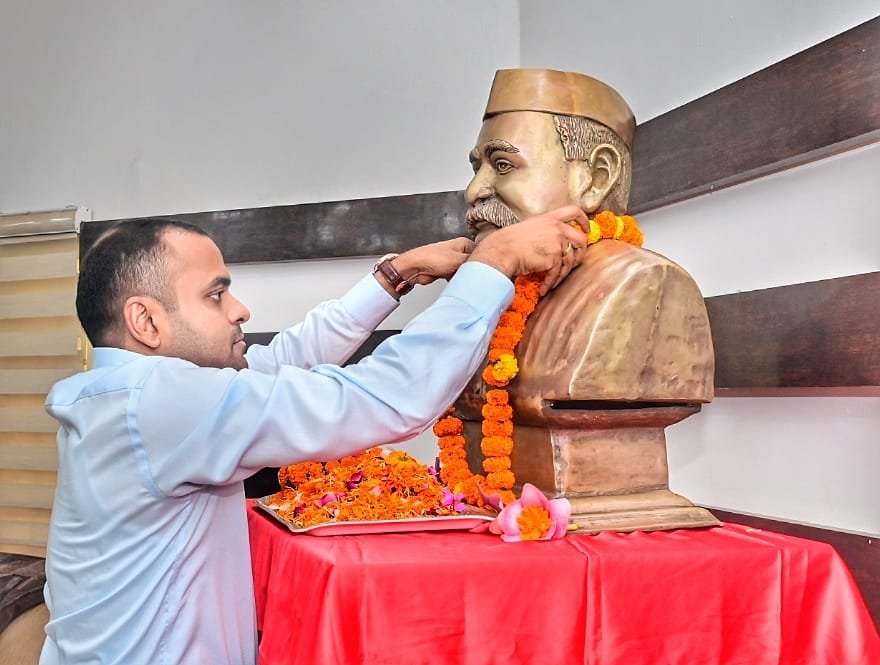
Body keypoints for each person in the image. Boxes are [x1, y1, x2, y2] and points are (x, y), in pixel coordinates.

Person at [40, 209, 588, 664]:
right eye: (215, 295)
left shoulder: (128, 396)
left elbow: (281, 363)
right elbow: (389, 395)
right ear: (146, 321)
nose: (239, 309)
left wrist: (394, 276)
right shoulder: (163, 402)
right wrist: (495, 264)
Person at [456, 68, 717, 533]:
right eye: (477, 168)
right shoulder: (498, 290)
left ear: (595, 178)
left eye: (503, 165)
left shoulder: (647, 285)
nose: (473, 191)